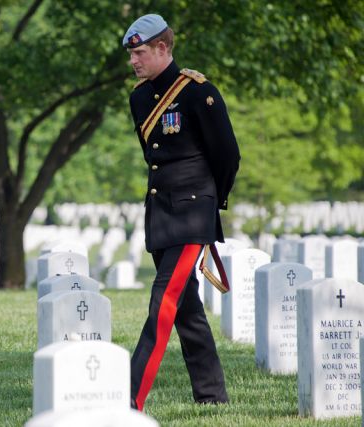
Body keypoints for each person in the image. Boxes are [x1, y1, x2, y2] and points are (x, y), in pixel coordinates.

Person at [122, 14, 241, 411]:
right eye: (132, 54)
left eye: (139, 52)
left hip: (192, 214)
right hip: (161, 213)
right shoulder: (139, 97)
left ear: (162, 48)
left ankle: (128, 400)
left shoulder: (197, 92)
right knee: (187, 309)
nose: (134, 61)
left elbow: (227, 155)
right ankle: (211, 395)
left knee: (163, 303)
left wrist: (209, 205)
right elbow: (153, 159)